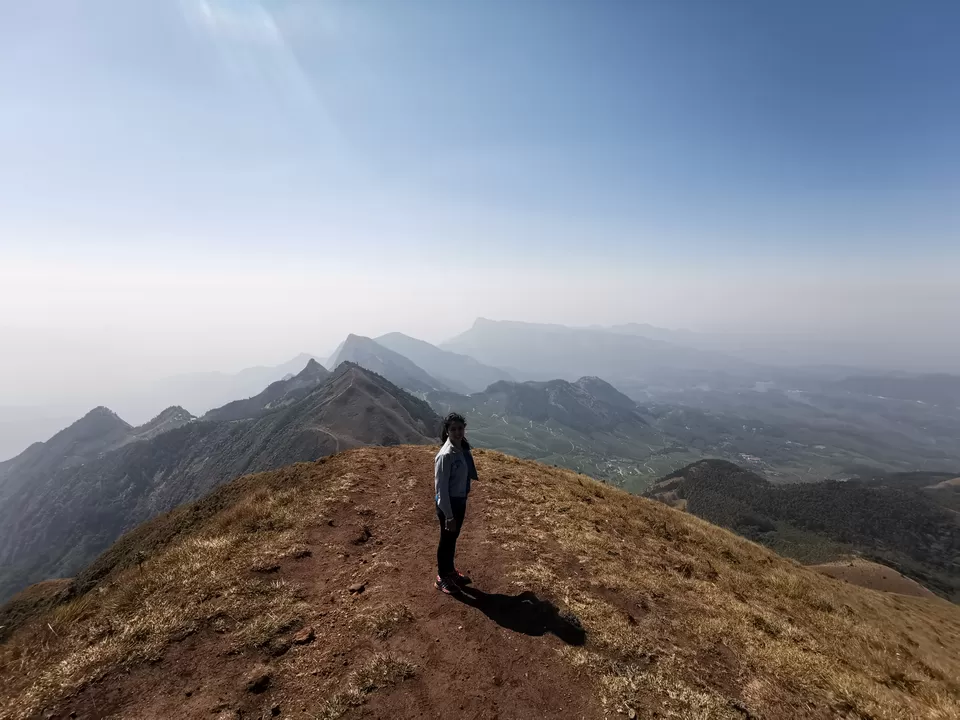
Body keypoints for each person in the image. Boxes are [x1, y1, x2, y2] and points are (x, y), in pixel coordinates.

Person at [434, 412, 478, 594]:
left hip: (459, 501)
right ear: (447, 431)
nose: (458, 432)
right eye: (453, 429)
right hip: (449, 505)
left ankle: (450, 572)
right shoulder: (445, 455)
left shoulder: (462, 449)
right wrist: (449, 516)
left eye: (460, 428)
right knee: (446, 540)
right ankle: (442, 577)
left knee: (452, 539)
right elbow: (441, 490)